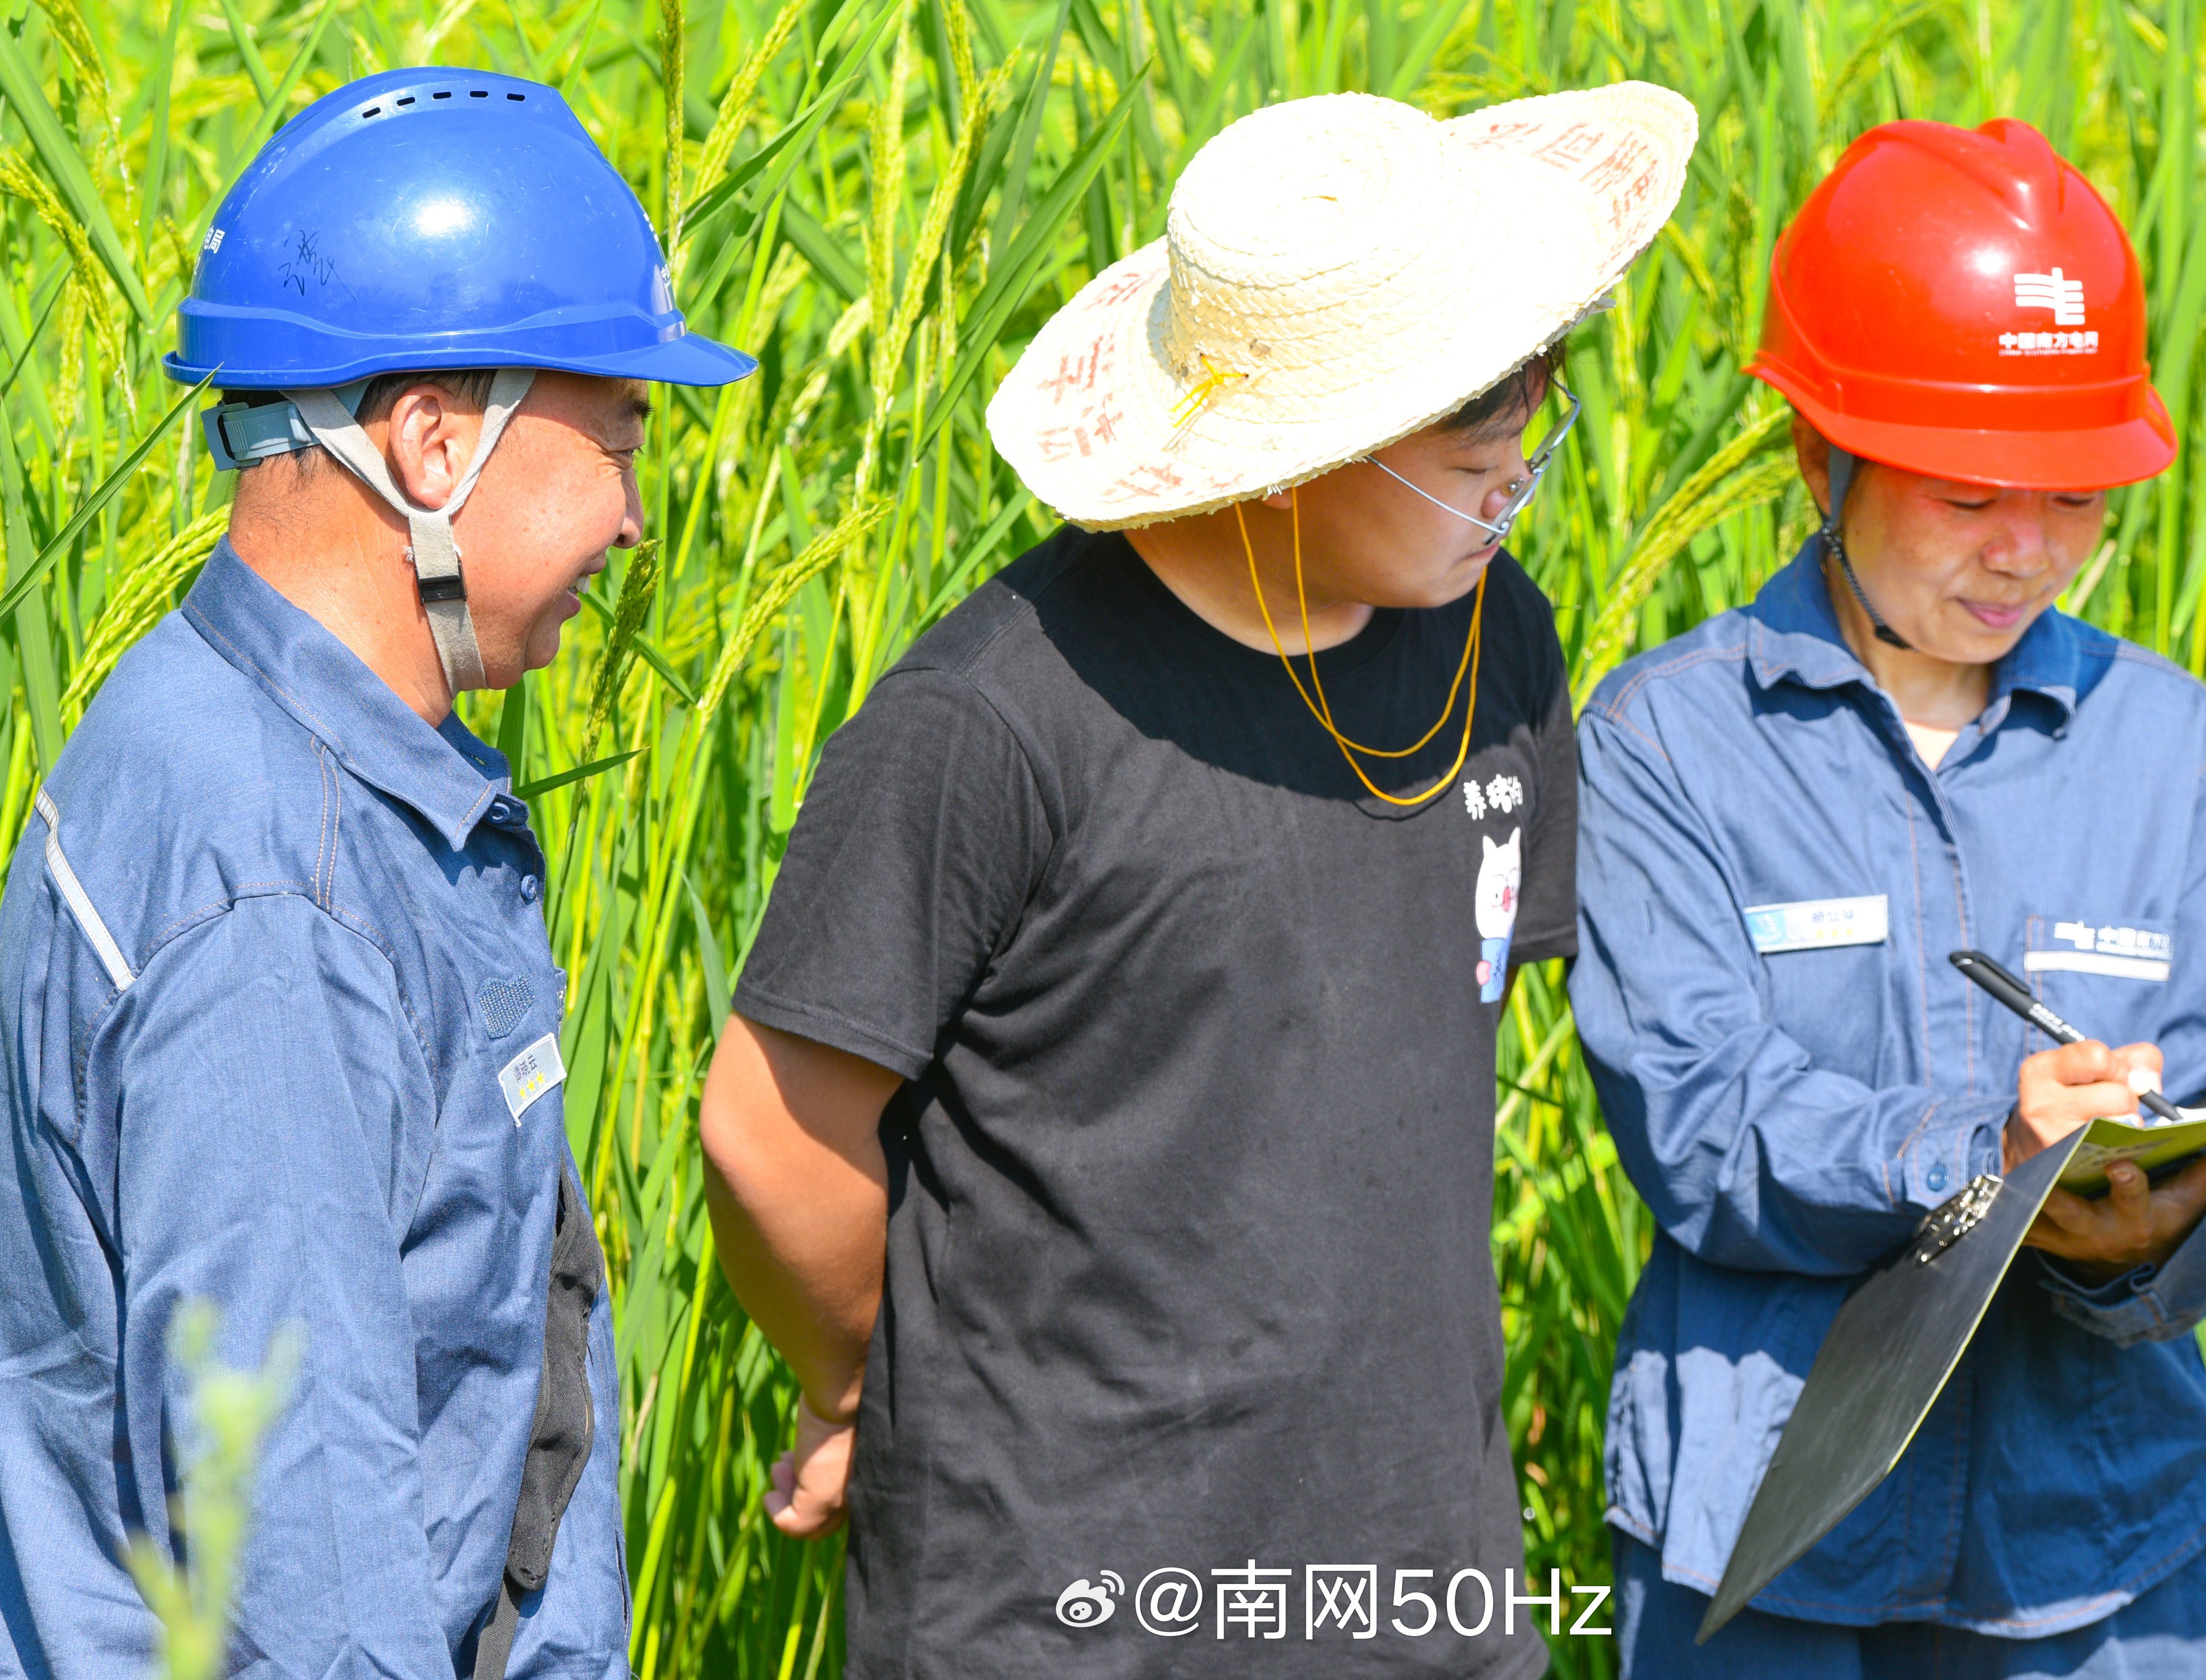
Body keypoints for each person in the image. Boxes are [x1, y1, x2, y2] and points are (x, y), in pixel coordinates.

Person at [699, 84, 1696, 1676]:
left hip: (1417, 1591)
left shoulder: (1496, 639)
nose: (1525, 454)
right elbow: (771, 1123)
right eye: (1478, 409)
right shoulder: (1000, 719)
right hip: (1067, 1610)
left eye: (1539, 383)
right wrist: (861, 1380)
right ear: (1307, 440)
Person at [0, 70, 753, 1680]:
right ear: (434, 439)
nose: (636, 520)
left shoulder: (273, 768)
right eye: (618, 438)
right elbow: (302, 1569)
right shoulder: (269, 889)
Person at [1569, 118, 2206, 1677]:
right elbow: (1699, 1127)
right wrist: (1986, 1161)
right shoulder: (1666, 739)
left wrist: (2142, 1227)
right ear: (1820, 458)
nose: (2026, 552)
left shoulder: (2164, 742)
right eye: (1969, 497)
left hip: (2100, 1548)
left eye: (2077, 498)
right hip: (1763, 1542)